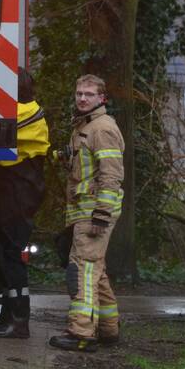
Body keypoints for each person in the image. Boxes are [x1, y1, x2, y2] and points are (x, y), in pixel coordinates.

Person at [49, 74, 125, 352]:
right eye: (79, 93)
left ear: (101, 98)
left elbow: (111, 175)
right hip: (85, 211)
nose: (82, 98)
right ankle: (108, 328)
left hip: (94, 213)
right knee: (95, 269)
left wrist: (101, 214)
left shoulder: (101, 128)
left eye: (89, 94)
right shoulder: (86, 125)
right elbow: (86, 167)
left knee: (82, 269)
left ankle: (81, 333)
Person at [0, 68, 49, 339]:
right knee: (5, 253)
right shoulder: (26, 111)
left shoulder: (22, 114)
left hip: (18, 191)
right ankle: (9, 316)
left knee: (11, 255)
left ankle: (19, 321)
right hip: (15, 189)